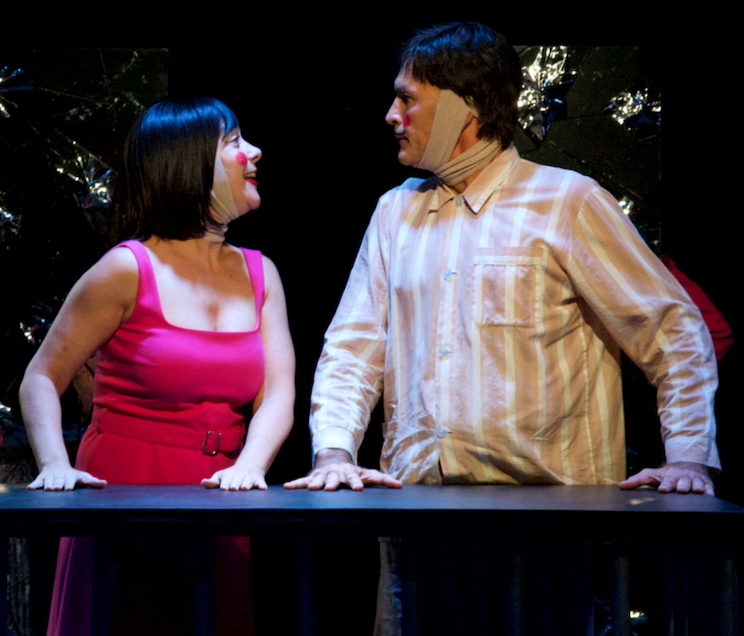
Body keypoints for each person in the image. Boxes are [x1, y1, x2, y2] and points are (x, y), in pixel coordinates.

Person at [284, 23, 720, 632]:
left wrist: (690, 459)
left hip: (547, 521)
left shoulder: (567, 202)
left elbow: (673, 331)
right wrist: (334, 451)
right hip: (420, 513)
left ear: (466, 107)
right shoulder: (395, 211)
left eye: (408, 98)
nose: (391, 115)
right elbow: (354, 347)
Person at [21, 97, 295, 635]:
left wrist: (251, 466)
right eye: (234, 142)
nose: (255, 151)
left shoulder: (261, 274)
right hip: (125, 494)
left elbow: (279, 392)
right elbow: (42, 376)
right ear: (188, 164)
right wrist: (54, 464)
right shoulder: (126, 269)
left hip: (219, 496)